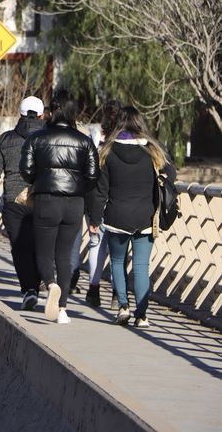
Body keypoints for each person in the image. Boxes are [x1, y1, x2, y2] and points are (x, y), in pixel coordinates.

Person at [88, 106, 175, 328]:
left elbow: (100, 191)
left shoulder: (107, 151)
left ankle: (123, 308)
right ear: (140, 123)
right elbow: (171, 175)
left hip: (116, 217)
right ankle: (142, 315)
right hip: (145, 217)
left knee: (117, 262)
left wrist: (95, 220)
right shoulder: (153, 150)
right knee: (140, 266)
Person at [20, 89, 99, 324]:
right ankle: (63, 309)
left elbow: (26, 171)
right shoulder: (84, 141)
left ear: (51, 112)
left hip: (46, 199)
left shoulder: (36, 139)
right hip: (74, 203)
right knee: (65, 255)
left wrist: (42, 179)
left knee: (44, 252)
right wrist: (77, 187)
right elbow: (94, 175)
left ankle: (51, 284)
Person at [0, 96, 45, 310]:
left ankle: (29, 289)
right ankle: (38, 283)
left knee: (20, 246)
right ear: (42, 115)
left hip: (13, 199)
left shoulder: (6, 139)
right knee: (40, 244)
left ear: (19, 114)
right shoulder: (48, 138)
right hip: (43, 198)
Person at [75, 99, 122, 307]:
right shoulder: (127, 140)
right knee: (118, 251)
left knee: (96, 244)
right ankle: (116, 293)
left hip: (95, 198)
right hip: (120, 200)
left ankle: (93, 290)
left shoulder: (95, 137)